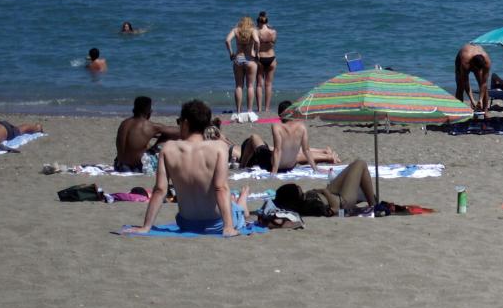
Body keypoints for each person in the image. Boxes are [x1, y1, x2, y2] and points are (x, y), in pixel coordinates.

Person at [123, 100, 247, 236]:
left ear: (186, 123)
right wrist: (228, 227)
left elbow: (160, 190)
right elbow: (220, 188)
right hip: (216, 224)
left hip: (186, 223)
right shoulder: (219, 148)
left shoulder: (168, 148)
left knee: (233, 204)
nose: (179, 125)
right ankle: (242, 202)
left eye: (179, 121)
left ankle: (241, 202)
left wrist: (146, 227)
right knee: (236, 208)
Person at [239, 100, 340, 172]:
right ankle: (327, 155)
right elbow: (306, 151)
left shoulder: (277, 127)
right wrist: (315, 169)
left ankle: (242, 166)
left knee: (253, 137)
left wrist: (274, 173)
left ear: (280, 115)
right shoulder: (301, 126)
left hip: (274, 165)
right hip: (291, 166)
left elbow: (278, 150)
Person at [274, 159, 378, 217]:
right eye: (296, 187)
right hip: (343, 202)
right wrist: (324, 191)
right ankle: (373, 205)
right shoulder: (312, 205)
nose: (298, 186)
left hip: (334, 195)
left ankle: (365, 196)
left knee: (353, 166)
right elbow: (335, 208)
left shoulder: (305, 200)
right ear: (295, 195)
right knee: (360, 163)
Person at [114, 96, 179, 173]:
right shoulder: (149, 126)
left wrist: (154, 134)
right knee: (167, 135)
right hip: (138, 168)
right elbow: (179, 132)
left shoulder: (124, 123)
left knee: (145, 144)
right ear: (149, 111)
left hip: (119, 166)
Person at [225, 16, 259, 115]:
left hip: (239, 58)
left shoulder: (236, 30)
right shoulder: (253, 30)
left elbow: (227, 40)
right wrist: (256, 53)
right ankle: (249, 111)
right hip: (249, 58)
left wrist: (231, 53)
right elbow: (257, 41)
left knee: (239, 86)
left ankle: (239, 111)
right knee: (250, 86)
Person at [454, 43, 492, 113]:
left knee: (484, 86)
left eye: (479, 70)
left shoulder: (487, 62)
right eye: (476, 69)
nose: (477, 71)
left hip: (476, 60)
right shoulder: (465, 62)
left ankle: (485, 111)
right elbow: (465, 82)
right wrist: (472, 100)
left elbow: (484, 83)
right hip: (460, 58)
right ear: (471, 64)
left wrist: (480, 100)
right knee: (460, 86)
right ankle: (459, 111)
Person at [254, 12, 277, 113]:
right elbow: (274, 42)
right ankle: (267, 108)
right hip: (271, 57)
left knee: (259, 84)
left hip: (260, 58)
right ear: (267, 21)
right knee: (269, 84)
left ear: (258, 22)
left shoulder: (256, 32)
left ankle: (259, 109)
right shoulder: (273, 32)